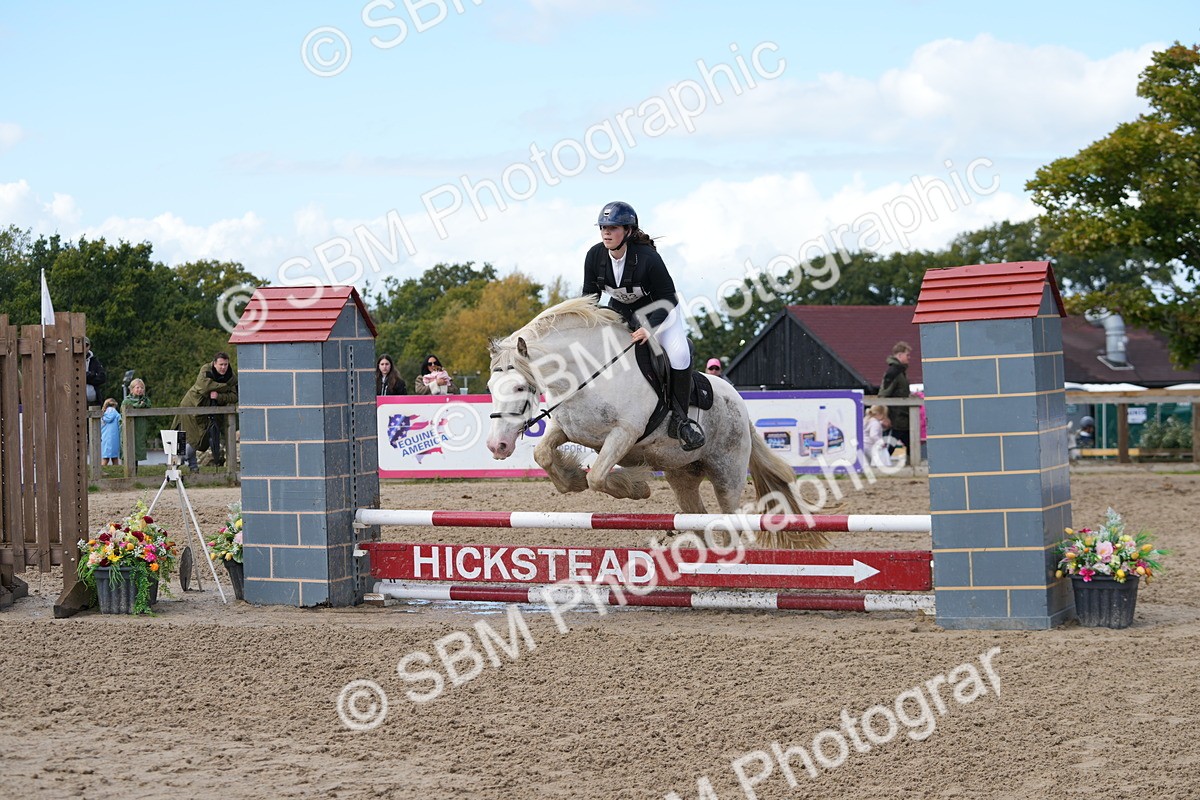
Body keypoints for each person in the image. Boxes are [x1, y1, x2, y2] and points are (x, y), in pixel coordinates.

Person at [582, 200, 704, 451]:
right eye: (603, 227)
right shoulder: (595, 256)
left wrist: (649, 328)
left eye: (613, 227)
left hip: (660, 313)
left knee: (679, 355)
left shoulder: (648, 258)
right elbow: (589, 297)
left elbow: (668, 298)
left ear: (628, 230)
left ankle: (682, 421)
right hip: (623, 312)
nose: (606, 232)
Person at [172, 352, 238, 472]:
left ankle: (190, 468)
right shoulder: (206, 369)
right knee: (190, 438)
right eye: (221, 364)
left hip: (208, 413)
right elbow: (205, 387)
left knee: (201, 439)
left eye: (226, 364)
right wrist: (225, 387)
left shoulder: (231, 376)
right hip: (192, 404)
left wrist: (219, 396)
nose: (223, 367)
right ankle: (176, 465)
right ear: (214, 363)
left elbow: (234, 396)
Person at [878, 341, 912, 455]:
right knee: (890, 446)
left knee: (909, 444)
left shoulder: (900, 372)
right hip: (895, 419)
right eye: (907, 355)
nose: (909, 358)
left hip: (902, 419)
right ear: (900, 355)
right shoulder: (893, 372)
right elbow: (883, 394)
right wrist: (884, 416)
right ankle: (881, 466)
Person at [120, 378, 152, 464]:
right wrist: (138, 405)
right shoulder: (127, 401)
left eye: (141, 388)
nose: (140, 390)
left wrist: (143, 404)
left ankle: (135, 472)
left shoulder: (145, 400)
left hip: (140, 430)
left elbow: (149, 406)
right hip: (129, 428)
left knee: (137, 450)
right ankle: (128, 473)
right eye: (137, 387)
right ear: (132, 389)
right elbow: (124, 412)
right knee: (128, 448)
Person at [84, 337, 106, 406]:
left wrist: (86, 377)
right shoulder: (72, 360)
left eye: (86, 345)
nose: (84, 347)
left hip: (94, 401)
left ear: (89, 346)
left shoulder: (94, 361)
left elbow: (102, 377)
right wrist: (91, 375)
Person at [100, 398, 121, 466]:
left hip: (104, 438)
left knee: (105, 458)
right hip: (115, 438)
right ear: (115, 405)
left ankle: (101, 472)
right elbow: (120, 425)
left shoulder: (102, 415)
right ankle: (116, 472)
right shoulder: (116, 414)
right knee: (115, 458)